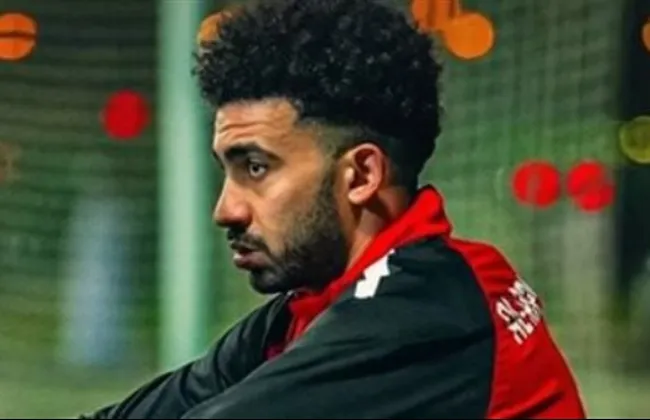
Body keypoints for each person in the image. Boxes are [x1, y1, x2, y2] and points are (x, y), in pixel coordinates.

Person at [82, 0, 586, 417]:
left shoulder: (426, 314)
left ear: (362, 175)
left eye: (256, 167)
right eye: (227, 171)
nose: (226, 210)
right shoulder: (307, 312)